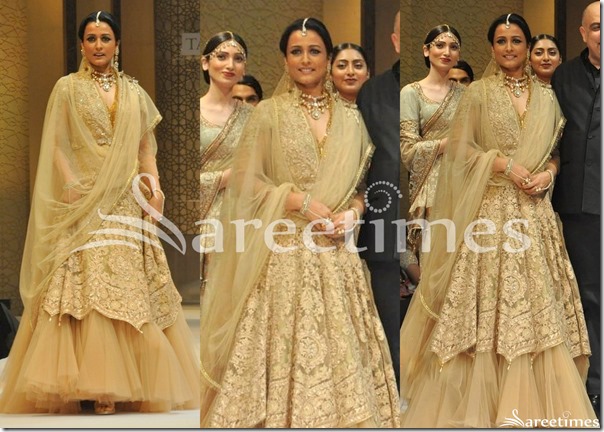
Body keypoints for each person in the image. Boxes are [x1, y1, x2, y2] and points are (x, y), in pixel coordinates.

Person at [199, 17, 399, 428]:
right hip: (283, 253)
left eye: (314, 51)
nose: (305, 60)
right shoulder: (268, 114)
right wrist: (297, 201)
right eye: (296, 52)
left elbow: (362, 186)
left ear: (327, 57)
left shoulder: (352, 117)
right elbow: (248, 181)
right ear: (284, 60)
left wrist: (353, 214)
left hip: (337, 254)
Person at [400, 13, 596, 427]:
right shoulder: (478, 94)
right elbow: (461, 149)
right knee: (486, 307)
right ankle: (483, 404)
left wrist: (548, 175)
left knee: (539, 306)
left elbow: (556, 153)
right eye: (502, 41)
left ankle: (538, 404)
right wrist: (504, 165)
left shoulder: (548, 95)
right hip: (491, 213)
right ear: (492, 47)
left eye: (516, 40)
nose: (509, 48)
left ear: (527, 46)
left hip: (536, 212)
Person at [0, 11, 199, 415]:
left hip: (126, 199)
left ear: (117, 44)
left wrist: (156, 188)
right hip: (85, 198)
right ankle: (89, 386)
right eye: (90, 38)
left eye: (105, 38)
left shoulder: (135, 93)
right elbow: (57, 144)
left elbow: (145, 150)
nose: (98, 45)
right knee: (85, 286)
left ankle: (124, 384)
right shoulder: (67, 88)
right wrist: (71, 182)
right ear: (81, 45)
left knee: (128, 285)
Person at [551, 0, 601, 417]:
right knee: (589, 297)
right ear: (583, 34)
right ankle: (595, 388)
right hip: (579, 205)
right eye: (597, 27)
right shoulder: (561, 77)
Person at [400, 24, 465, 294]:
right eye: (439, 45)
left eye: (453, 47)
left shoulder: (466, 95)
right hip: (429, 190)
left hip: (462, 183)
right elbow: (407, 151)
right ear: (426, 51)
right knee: (433, 261)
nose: (446, 51)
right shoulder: (411, 93)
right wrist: (447, 144)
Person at [356, 10, 402, 388]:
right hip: (385, 214)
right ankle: (393, 381)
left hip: (444, 214)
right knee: (387, 305)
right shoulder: (373, 92)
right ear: (396, 40)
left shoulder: (457, 93)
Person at [199, 32, 253, 293]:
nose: (230, 65)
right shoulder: (190, 114)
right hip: (199, 221)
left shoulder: (254, 117)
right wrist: (223, 178)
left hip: (245, 218)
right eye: (221, 56)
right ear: (205, 63)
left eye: (238, 59)